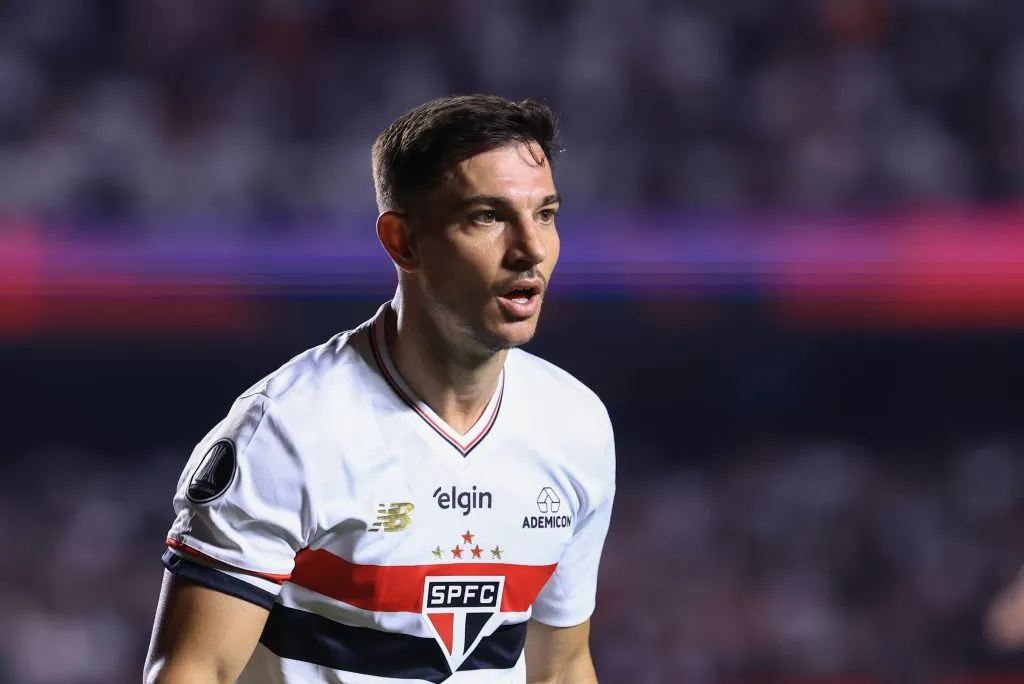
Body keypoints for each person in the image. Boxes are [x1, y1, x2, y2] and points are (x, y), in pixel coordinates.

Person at [143, 94, 617, 684]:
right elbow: (195, 671)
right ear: (401, 241)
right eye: (487, 217)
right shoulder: (288, 431)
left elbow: (562, 668)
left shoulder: (575, 425)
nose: (532, 250)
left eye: (544, 214)